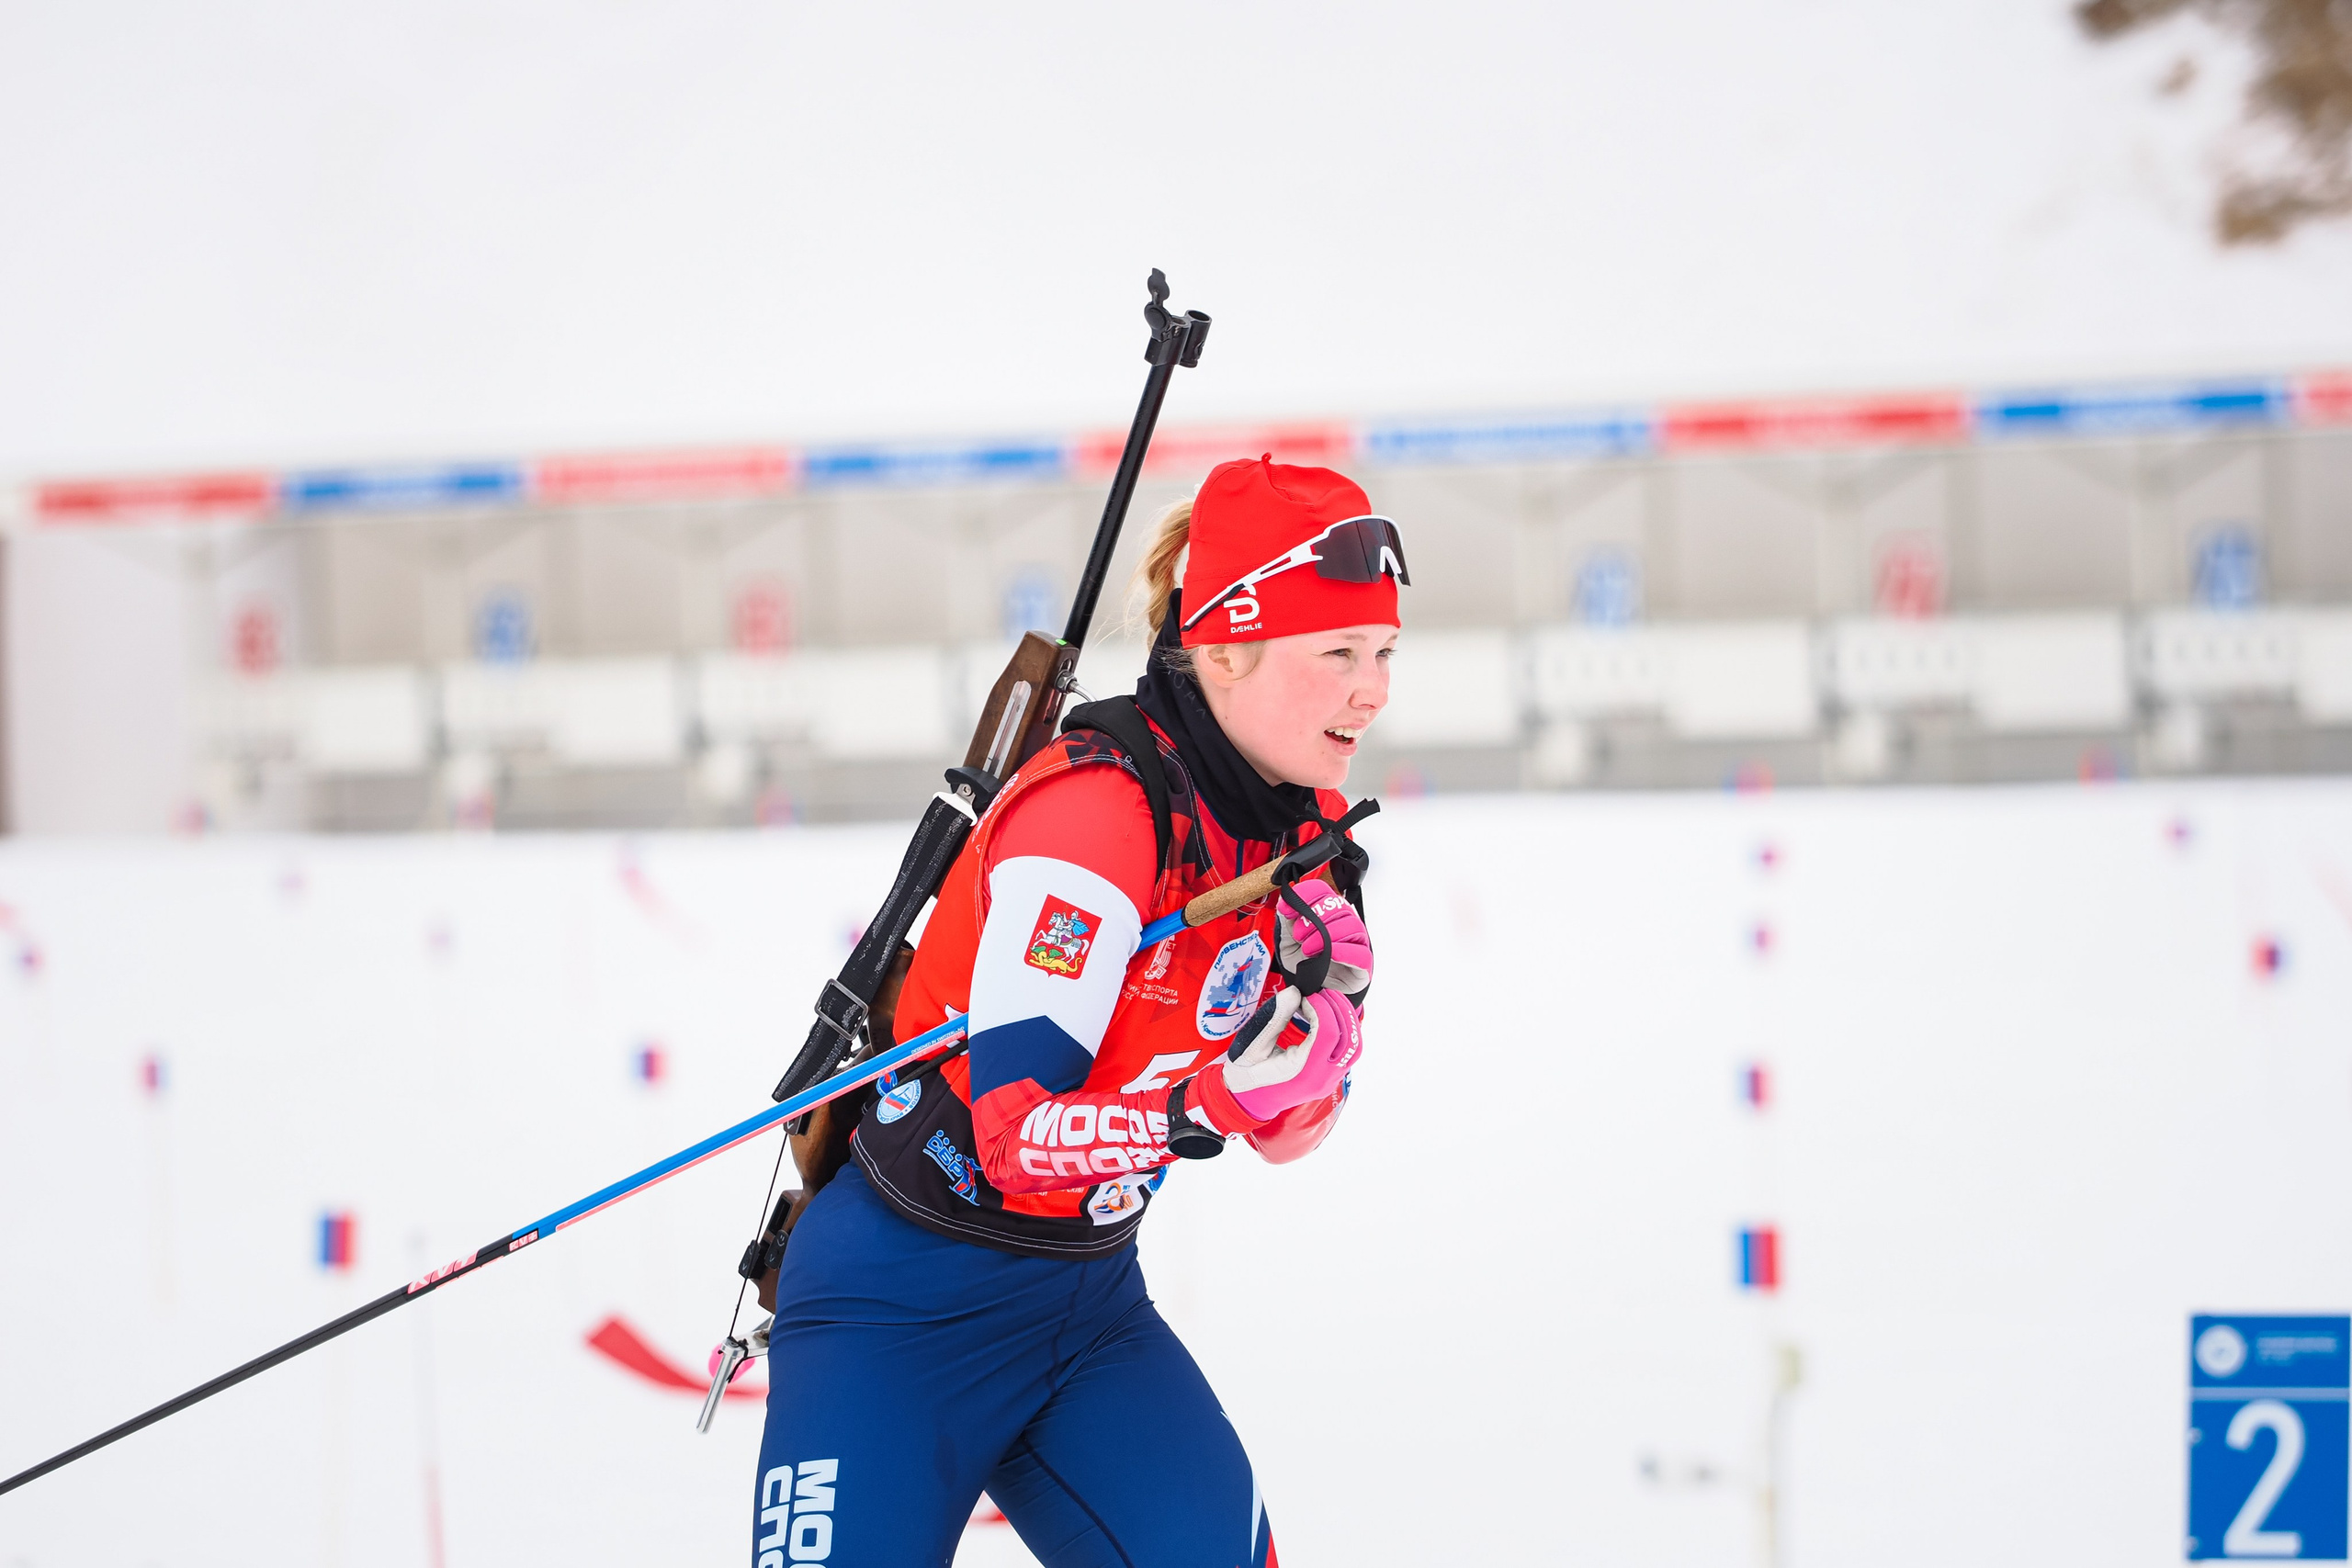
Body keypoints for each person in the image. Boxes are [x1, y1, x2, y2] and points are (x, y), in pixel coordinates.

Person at [752, 456, 1408, 1568]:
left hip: (1084, 1312)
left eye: (1385, 651)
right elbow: (1013, 1137)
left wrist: (1322, 1044)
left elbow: (1288, 1133)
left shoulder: (1307, 839)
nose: (1374, 689)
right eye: (1338, 653)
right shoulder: (1094, 819)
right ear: (1224, 648)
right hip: (896, 1312)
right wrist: (1207, 1103)